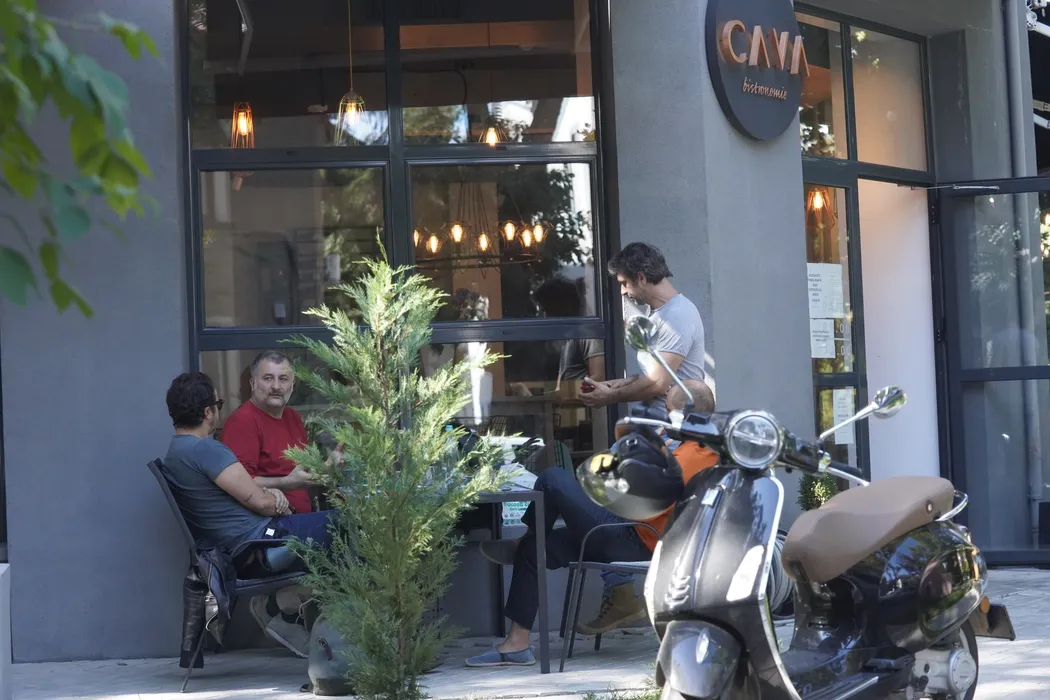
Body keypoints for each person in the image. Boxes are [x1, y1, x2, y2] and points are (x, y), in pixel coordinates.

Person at [466, 380, 718, 667]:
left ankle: (522, 538)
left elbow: (628, 497)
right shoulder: (700, 451)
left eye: (669, 412)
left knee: (552, 479)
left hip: (631, 537)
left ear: (685, 417)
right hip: (628, 531)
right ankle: (517, 644)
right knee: (535, 550)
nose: (665, 418)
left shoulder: (690, 456)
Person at [574, 242, 708, 635]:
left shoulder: (678, 316)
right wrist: (610, 386)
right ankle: (617, 590)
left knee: (607, 489)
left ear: (642, 277)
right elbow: (647, 376)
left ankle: (622, 592)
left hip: (669, 436)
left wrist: (608, 397)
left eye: (624, 283)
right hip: (650, 432)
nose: (623, 292)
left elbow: (658, 383)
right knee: (606, 489)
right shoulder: (661, 316)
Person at [163, 371, 335, 658]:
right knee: (350, 525)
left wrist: (270, 493)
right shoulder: (206, 449)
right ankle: (290, 612)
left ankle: (290, 608)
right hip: (260, 546)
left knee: (337, 531)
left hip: (238, 548)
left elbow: (238, 490)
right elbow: (261, 503)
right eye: (217, 404)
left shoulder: (176, 452)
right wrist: (276, 499)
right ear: (208, 412)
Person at [221, 351, 320, 515]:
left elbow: (301, 471)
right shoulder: (242, 422)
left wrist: (326, 468)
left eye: (283, 379)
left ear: (292, 385)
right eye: (268, 378)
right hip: (271, 521)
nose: (276, 386)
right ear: (253, 383)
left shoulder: (292, 417)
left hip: (302, 516)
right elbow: (237, 484)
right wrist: (287, 482)